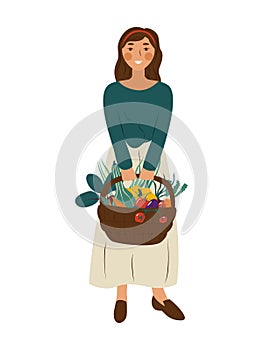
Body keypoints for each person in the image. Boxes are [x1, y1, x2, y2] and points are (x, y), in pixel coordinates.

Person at [89, 27, 185, 322]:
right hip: (120, 161)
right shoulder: (112, 91)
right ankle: (121, 293)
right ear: (122, 53)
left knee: (156, 223)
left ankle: (159, 294)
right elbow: (113, 127)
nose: (138, 54)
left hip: (154, 161)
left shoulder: (163, 91)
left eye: (145, 47)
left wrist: (150, 166)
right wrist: (126, 166)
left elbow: (162, 129)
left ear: (155, 53)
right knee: (118, 221)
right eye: (130, 48)